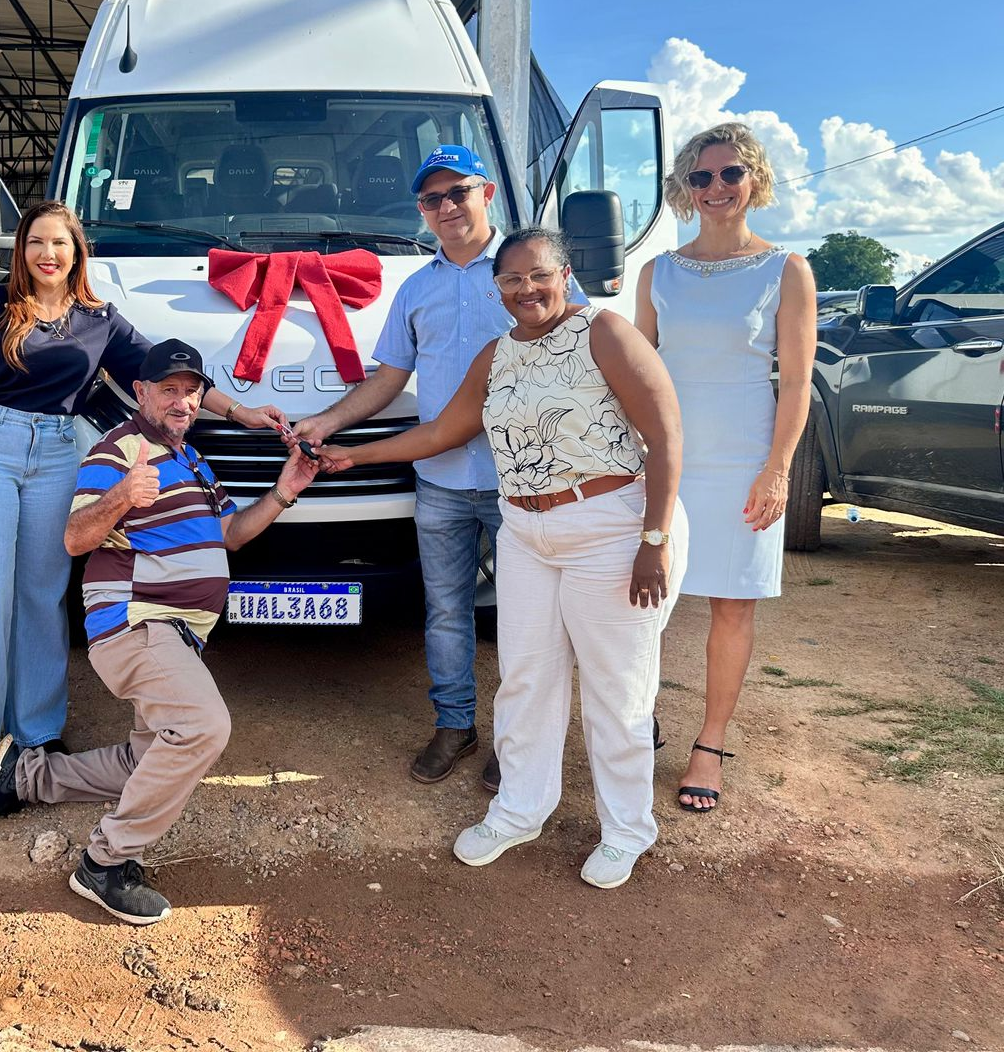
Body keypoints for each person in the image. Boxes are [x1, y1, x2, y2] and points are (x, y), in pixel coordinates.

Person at [319, 228, 686, 889]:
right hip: (524, 529)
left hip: (609, 524)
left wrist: (653, 539)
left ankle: (626, 830)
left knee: (617, 689)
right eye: (512, 280)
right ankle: (519, 808)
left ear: (566, 276)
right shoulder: (499, 354)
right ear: (498, 290)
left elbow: (665, 436)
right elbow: (441, 431)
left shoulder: (603, 331)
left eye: (539, 275)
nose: (526, 289)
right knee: (524, 678)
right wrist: (353, 455)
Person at [0, 339, 317, 924]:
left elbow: (230, 534)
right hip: (136, 619)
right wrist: (122, 495)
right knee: (201, 728)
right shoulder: (118, 450)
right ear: (141, 391)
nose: (182, 401)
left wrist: (283, 491)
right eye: (168, 389)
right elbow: (74, 539)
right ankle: (106, 863)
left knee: (146, 760)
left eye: (191, 391)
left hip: (176, 632)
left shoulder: (191, 459)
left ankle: (23, 779)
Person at [0, 202, 286, 784]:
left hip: (54, 452)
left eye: (59, 243)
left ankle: (37, 731)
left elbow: (161, 368)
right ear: (21, 250)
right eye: (36, 242)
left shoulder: (99, 319)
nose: (47, 254)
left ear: (77, 253)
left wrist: (241, 412)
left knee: (43, 593)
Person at [293, 145, 585, 790]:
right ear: (422, 211)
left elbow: (582, 349)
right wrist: (327, 423)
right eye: (432, 199)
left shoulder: (527, 270)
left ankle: (520, 737)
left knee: (530, 617)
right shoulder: (416, 288)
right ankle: (455, 725)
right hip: (442, 482)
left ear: (487, 193)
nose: (447, 207)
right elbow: (390, 379)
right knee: (447, 611)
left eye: (459, 192)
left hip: (524, 484)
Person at [635, 122, 817, 812]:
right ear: (686, 188)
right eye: (702, 176)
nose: (716, 187)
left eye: (731, 173)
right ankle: (638, 719)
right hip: (666, 460)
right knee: (640, 600)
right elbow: (637, 372)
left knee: (732, 605)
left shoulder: (786, 270)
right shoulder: (658, 272)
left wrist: (778, 469)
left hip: (744, 459)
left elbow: (796, 383)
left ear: (754, 179)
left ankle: (709, 746)